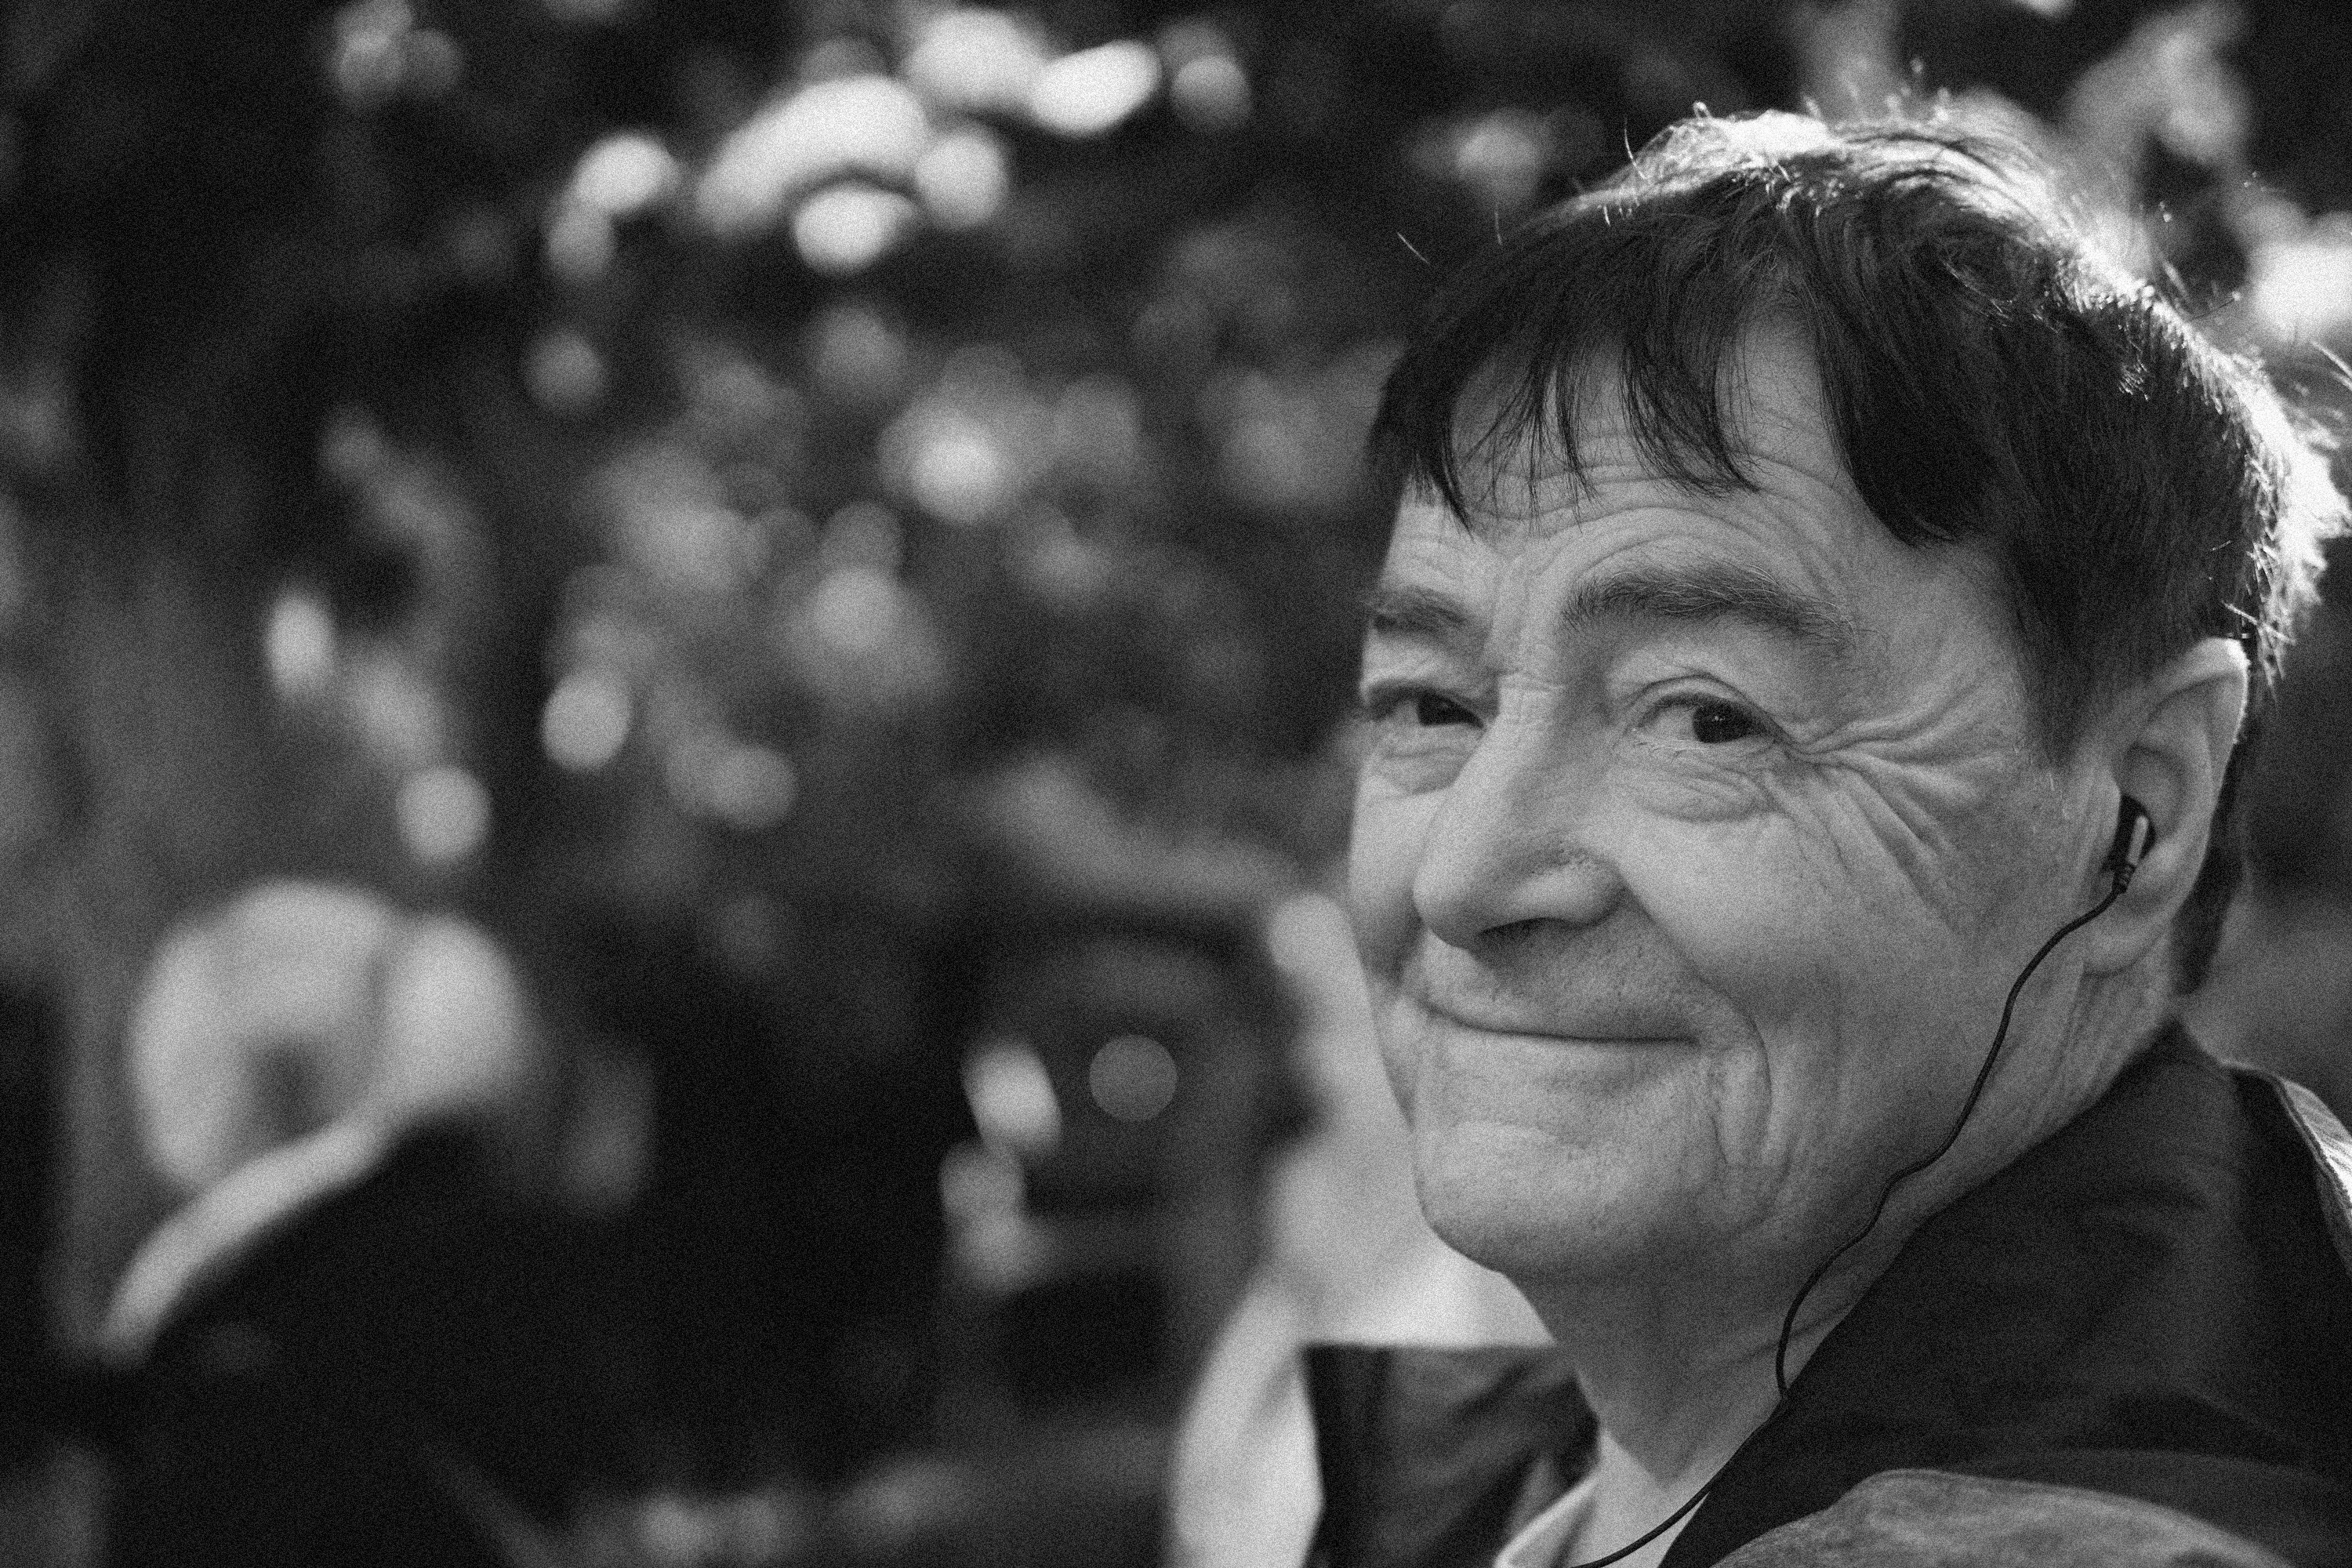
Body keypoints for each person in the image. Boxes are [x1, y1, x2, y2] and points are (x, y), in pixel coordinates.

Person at [1316, 110, 2352, 1567]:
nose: (1461, 877)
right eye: (1433, 706)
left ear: (2146, 805)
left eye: (1706, 720)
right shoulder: (1545, 1479)